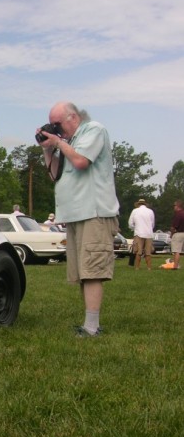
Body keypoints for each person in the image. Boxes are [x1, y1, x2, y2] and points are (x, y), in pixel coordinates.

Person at [37, 101, 120, 338]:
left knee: (92, 270)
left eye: (57, 124)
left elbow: (81, 162)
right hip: (75, 215)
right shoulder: (69, 142)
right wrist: (47, 149)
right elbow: (55, 174)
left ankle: (92, 328)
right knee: (83, 272)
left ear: (73, 117)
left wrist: (58, 142)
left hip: (94, 212)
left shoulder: (94, 130)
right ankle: (89, 323)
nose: (55, 129)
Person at [128, 198, 155, 271]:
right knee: (148, 252)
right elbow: (152, 224)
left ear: (138, 204)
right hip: (149, 234)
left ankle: (137, 267)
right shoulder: (150, 211)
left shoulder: (135, 211)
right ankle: (149, 268)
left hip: (139, 233)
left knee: (138, 252)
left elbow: (130, 223)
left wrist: (134, 228)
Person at [170, 199, 184, 269]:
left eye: (174, 205)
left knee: (176, 251)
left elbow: (174, 227)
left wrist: (171, 234)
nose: (174, 207)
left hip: (178, 234)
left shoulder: (178, 214)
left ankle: (175, 266)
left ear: (178, 206)